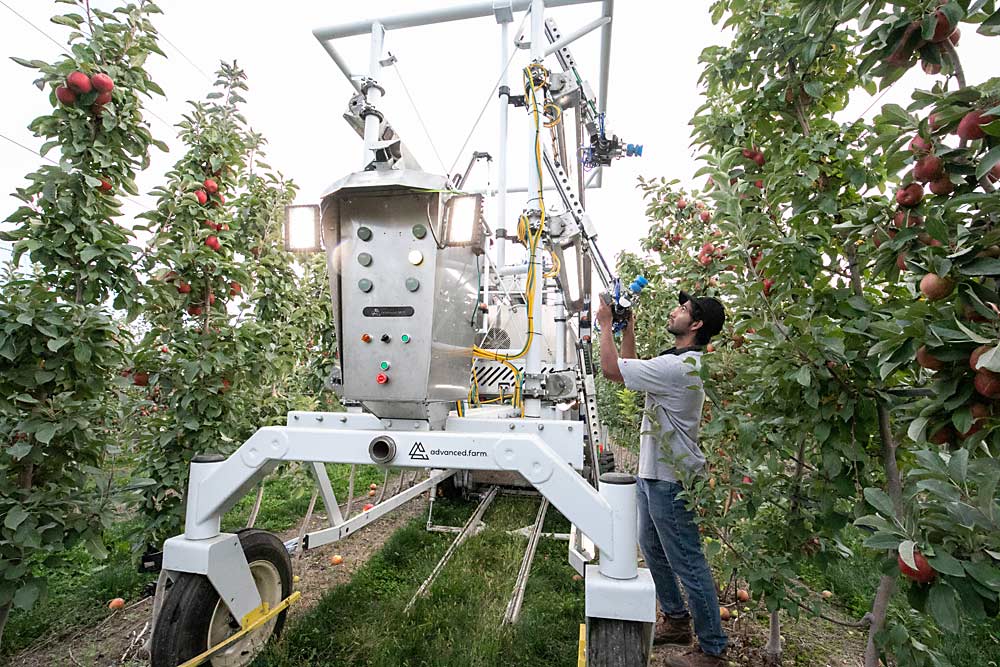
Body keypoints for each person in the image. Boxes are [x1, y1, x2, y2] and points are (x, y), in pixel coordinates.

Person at [595, 290, 728, 667]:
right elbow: (632, 367)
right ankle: (676, 619)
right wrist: (627, 329)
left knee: (687, 561)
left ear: (696, 324)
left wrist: (605, 324)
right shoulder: (678, 362)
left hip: (671, 479)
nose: (674, 312)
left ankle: (712, 649)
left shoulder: (680, 369)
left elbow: (612, 370)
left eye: (682, 309)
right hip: (656, 473)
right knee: (651, 546)